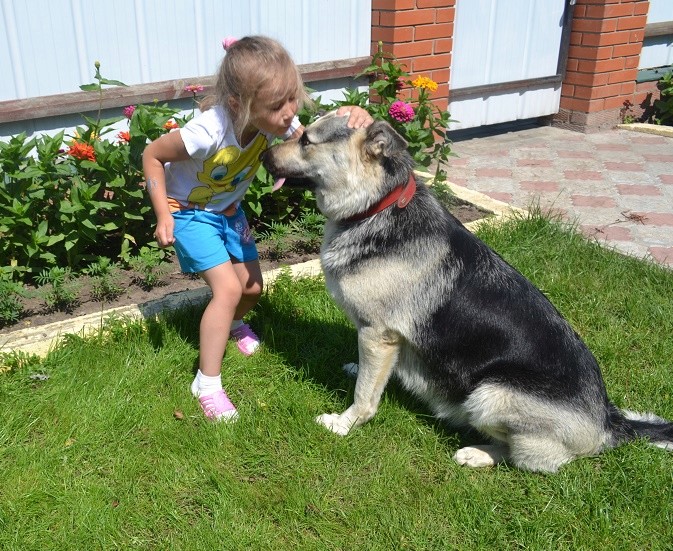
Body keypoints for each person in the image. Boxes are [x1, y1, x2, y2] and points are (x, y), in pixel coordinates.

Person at [142, 35, 373, 422]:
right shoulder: (206, 132)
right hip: (190, 213)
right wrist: (163, 213)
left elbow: (309, 141)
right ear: (240, 106)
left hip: (228, 211)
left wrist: (350, 114)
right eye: (278, 105)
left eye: (292, 99)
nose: (289, 113)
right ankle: (207, 383)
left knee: (251, 288)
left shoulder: (275, 120)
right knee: (228, 288)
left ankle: (231, 324)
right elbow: (152, 155)